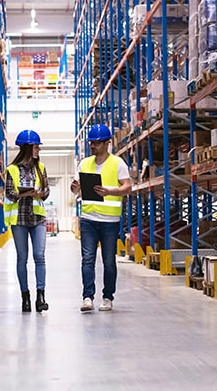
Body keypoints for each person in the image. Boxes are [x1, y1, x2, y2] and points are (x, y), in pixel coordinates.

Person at [69, 124, 132, 312]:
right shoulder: (84, 163)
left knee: (109, 261)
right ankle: (87, 297)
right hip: (88, 218)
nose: (93, 146)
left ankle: (108, 297)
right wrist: (74, 188)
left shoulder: (118, 163)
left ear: (107, 143)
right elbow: (76, 189)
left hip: (109, 222)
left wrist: (109, 191)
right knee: (87, 259)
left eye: (96, 143)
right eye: (91, 143)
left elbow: (127, 187)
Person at [5, 130, 51, 313]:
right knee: (22, 259)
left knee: (39, 256)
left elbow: (46, 191)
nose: (38, 149)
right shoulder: (12, 170)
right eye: (35, 146)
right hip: (20, 219)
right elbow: (10, 193)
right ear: (26, 148)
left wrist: (40, 194)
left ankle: (41, 297)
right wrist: (26, 193)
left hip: (38, 218)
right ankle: (25, 297)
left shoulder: (41, 168)